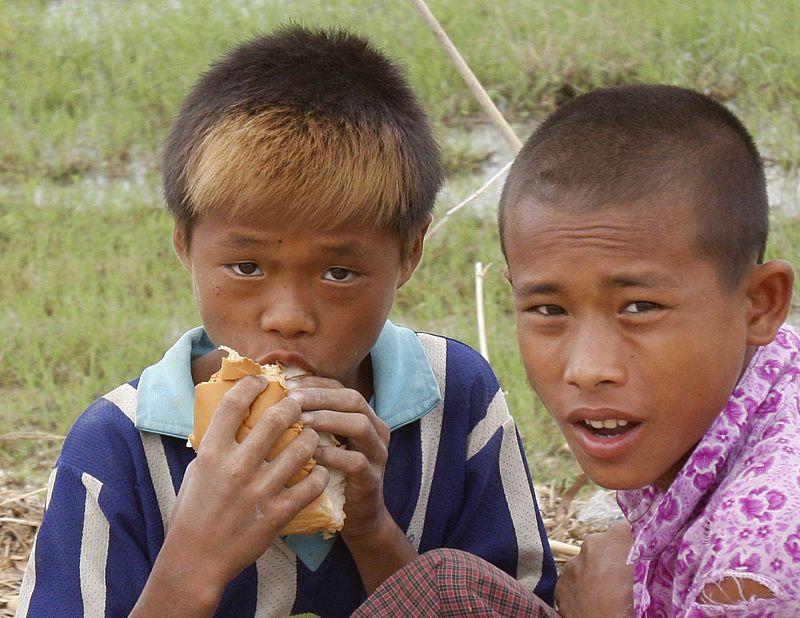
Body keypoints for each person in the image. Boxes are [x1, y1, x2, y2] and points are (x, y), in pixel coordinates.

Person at [16, 26, 556, 617]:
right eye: (246, 266)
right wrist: (192, 560)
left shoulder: (456, 398)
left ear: (409, 254)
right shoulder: (120, 448)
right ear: (184, 245)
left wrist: (372, 528)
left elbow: (515, 604)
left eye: (340, 273)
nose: (288, 318)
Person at [355, 83, 799, 617]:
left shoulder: (754, 561)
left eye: (639, 308)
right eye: (549, 311)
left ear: (758, 304)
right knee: (445, 590)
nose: (589, 369)